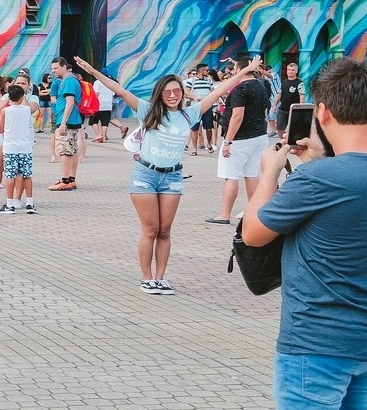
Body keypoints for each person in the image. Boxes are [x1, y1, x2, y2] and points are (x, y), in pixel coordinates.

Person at [241, 57, 367, 410]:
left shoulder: (319, 180)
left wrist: (268, 172)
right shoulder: (322, 176)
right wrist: (316, 161)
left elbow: (254, 233)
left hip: (317, 344)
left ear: (324, 112)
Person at [76, 55, 262, 294]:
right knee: (151, 228)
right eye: (168, 92)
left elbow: (220, 91)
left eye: (177, 91)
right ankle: (146, 277)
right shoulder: (148, 111)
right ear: (159, 94)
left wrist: (245, 70)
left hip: (172, 178)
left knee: (165, 230)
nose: (173, 96)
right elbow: (119, 90)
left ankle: (161, 278)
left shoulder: (189, 114)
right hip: (145, 176)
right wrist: (92, 70)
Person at [211, 51, 272, 225]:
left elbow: (237, 116)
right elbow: (266, 110)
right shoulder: (261, 85)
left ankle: (224, 214)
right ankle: (253, 210)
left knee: (231, 176)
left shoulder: (240, 89)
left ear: (239, 69)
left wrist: (228, 141)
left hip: (240, 138)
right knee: (251, 174)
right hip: (259, 135)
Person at [0, 84, 38, 214]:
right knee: (26, 175)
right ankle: (30, 203)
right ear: (21, 98)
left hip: (10, 148)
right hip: (25, 147)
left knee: (10, 176)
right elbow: (26, 106)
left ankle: (10, 204)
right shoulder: (26, 110)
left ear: (9, 97)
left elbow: (1, 128)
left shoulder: (5, 111)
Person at [47, 57, 84, 192]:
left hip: (66, 121)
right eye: (53, 68)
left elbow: (70, 102)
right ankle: (71, 179)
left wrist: (63, 123)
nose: (54, 71)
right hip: (74, 120)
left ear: (64, 67)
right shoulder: (71, 80)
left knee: (64, 150)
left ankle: (65, 180)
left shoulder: (68, 81)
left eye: (56, 68)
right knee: (72, 150)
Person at [271, 58, 306, 137]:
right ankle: (285, 143)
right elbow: (279, 94)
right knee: (279, 128)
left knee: (294, 129)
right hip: (282, 109)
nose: (290, 71)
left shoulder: (299, 83)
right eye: (289, 69)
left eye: (292, 70)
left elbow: (302, 95)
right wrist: (275, 105)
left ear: (296, 71)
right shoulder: (283, 82)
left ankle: (291, 142)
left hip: (294, 110)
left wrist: (301, 107)